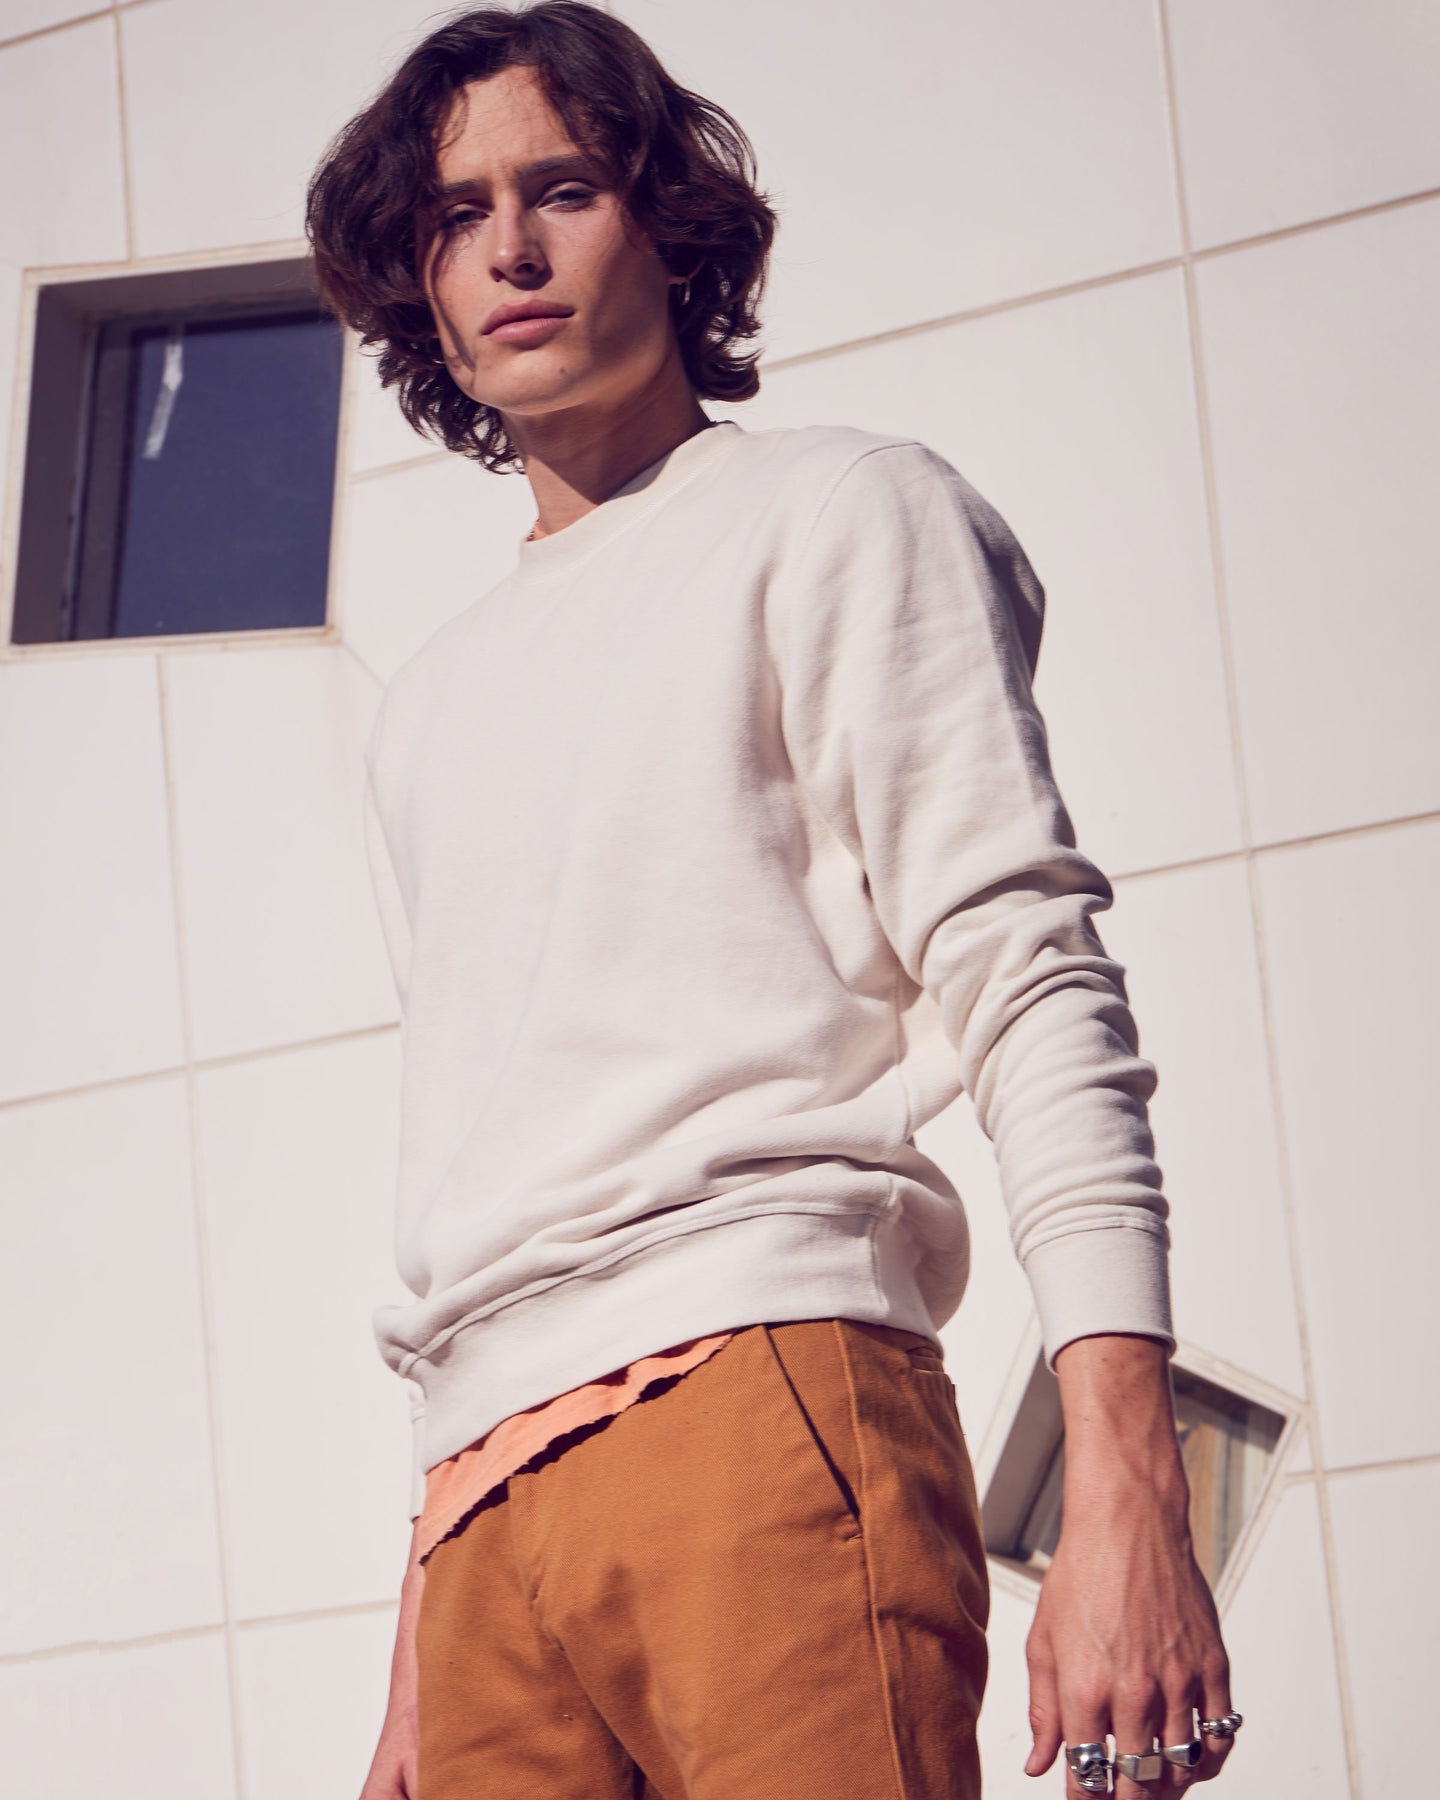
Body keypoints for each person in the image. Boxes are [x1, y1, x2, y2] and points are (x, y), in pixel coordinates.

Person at [306, 4, 1239, 1796]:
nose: (508, 250)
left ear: (666, 225)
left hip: (760, 1391)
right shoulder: (422, 705)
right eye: (453, 215)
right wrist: (422, 1640)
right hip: (485, 1516)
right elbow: (479, 1174)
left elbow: (1032, 976)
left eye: (562, 190)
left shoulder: (840, 511)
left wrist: (1128, 1489)